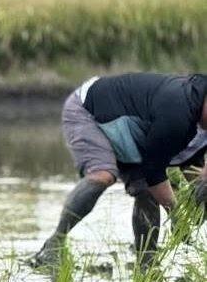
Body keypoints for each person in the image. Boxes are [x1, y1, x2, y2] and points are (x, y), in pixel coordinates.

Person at [32, 72, 207, 269]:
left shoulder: (198, 119)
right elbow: (154, 171)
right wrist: (176, 216)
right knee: (103, 175)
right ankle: (54, 244)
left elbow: (192, 165)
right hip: (89, 111)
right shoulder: (178, 111)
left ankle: (146, 263)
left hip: (133, 130)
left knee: (147, 191)